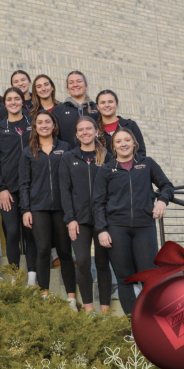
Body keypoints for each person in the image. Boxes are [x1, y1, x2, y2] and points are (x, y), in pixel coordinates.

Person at [93, 128, 174, 315]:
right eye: (119, 141)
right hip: (116, 229)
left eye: (127, 140)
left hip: (144, 227)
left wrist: (162, 200)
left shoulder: (147, 164)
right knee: (125, 278)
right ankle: (133, 324)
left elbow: (167, 185)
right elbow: (98, 202)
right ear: (113, 146)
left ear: (134, 143)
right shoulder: (107, 169)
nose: (123, 144)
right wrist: (101, 230)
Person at [19, 110, 76, 309]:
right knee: (43, 250)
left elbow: (71, 180)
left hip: (62, 208)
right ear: (35, 127)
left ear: (54, 125)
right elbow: (24, 183)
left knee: (64, 252)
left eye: (47, 122)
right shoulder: (28, 151)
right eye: (40, 122)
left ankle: (71, 297)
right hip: (38, 208)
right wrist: (25, 209)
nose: (44, 125)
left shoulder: (66, 148)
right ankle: (44, 293)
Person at [59, 117, 113, 313]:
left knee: (102, 263)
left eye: (88, 128)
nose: (85, 132)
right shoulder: (68, 157)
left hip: (103, 221)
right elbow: (64, 190)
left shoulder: (107, 158)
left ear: (96, 131)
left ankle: (105, 311)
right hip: (79, 221)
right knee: (82, 262)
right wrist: (70, 218)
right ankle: (90, 311)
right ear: (76, 134)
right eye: (80, 129)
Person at [0, 87, 35, 284]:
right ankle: (16, 276)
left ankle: (32, 276)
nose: (13, 102)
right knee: (13, 231)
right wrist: (0, 188)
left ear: (23, 102)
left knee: (31, 232)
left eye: (17, 98)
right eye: (9, 99)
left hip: (33, 188)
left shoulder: (33, 124)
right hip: (8, 190)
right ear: (4, 103)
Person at [52, 71, 99, 145]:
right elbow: (54, 137)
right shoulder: (58, 110)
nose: (75, 85)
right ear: (67, 87)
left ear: (86, 86)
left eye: (79, 81)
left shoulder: (97, 108)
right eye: (71, 82)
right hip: (69, 155)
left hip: (96, 154)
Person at [96, 90, 146, 157]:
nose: (107, 105)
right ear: (97, 107)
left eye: (110, 102)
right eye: (103, 102)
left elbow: (141, 152)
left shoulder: (130, 125)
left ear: (117, 104)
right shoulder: (94, 129)